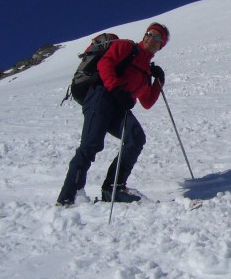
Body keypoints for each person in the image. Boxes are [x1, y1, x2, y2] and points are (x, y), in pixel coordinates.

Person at [56, 22, 169, 206]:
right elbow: (105, 62)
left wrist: (159, 80)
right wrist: (115, 88)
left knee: (135, 137)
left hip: (119, 107)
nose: (151, 38)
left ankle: (113, 188)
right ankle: (69, 196)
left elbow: (147, 102)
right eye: (150, 33)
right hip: (100, 97)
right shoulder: (127, 47)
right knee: (91, 144)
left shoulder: (145, 72)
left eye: (157, 37)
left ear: (160, 46)